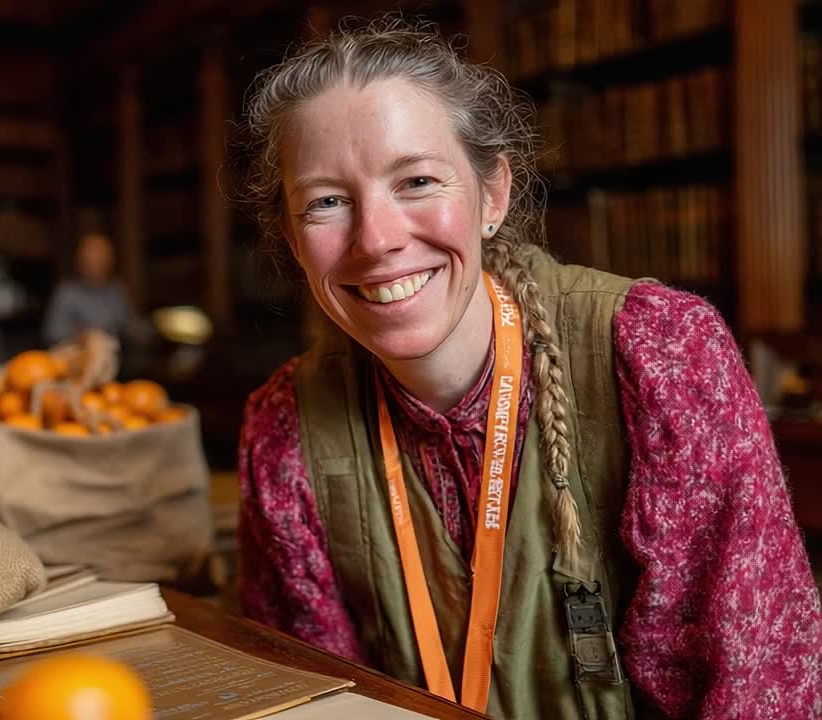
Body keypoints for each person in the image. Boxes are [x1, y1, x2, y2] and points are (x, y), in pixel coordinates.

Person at [235, 17, 821, 720]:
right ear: (294, 241)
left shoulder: (660, 356)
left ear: (493, 196)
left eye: (417, 180)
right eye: (327, 202)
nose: (378, 239)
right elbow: (315, 703)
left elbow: (758, 690)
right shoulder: (283, 429)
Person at [42, 232, 151, 349]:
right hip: (76, 358)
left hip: (114, 357)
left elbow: (131, 324)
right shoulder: (66, 292)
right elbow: (52, 332)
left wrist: (152, 329)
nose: (95, 264)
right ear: (79, 262)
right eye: (89, 259)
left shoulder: (117, 291)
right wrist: (84, 337)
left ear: (110, 261)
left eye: (100, 258)